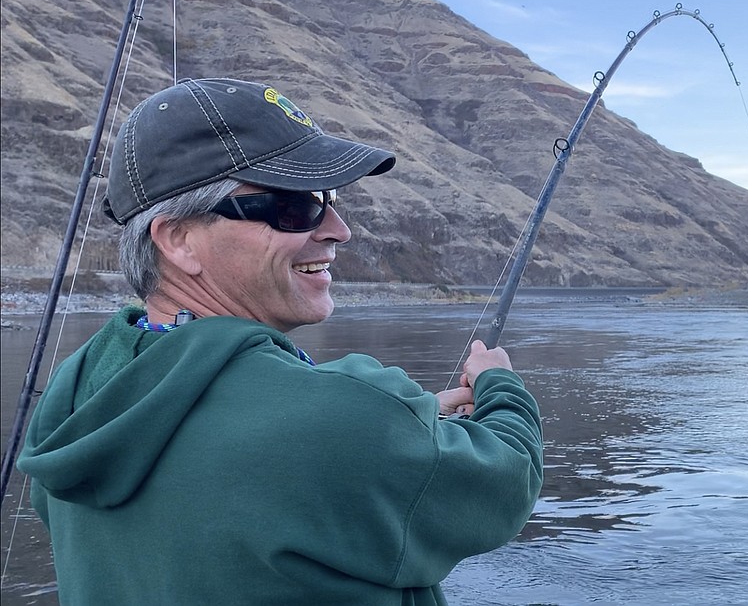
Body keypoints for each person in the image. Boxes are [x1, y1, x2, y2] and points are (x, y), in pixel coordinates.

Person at [17, 78, 543, 605]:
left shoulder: (81, 386)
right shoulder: (344, 416)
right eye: (295, 205)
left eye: (329, 198)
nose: (339, 228)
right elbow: (505, 480)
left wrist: (405, 423)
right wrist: (500, 386)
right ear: (178, 240)